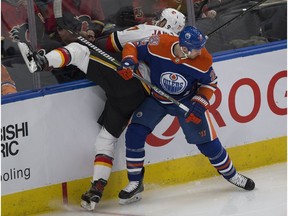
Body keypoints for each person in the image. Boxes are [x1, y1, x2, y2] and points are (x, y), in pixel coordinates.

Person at [17, 8, 186, 211]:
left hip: (127, 80)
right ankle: (96, 190)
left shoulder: (150, 31)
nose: (155, 20)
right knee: (106, 139)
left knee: (79, 51)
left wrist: (88, 40)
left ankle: (41, 62)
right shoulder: (179, 48)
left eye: (160, 19)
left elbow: (111, 42)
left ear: (165, 23)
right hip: (139, 95)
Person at [116, 25, 255, 205]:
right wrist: (128, 60)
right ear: (183, 48)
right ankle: (135, 182)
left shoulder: (203, 59)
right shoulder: (159, 43)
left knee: (208, 145)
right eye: (196, 48)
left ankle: (232, 175)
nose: (200, 51)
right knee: (134, 132)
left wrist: (199, 104)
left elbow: (211, 83)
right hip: (158, 99)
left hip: (186, 102)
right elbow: (133, 46)